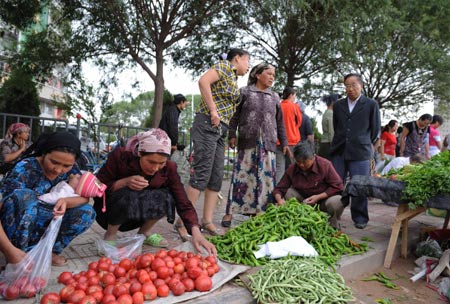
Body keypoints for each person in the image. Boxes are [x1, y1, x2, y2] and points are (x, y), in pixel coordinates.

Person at [93, 129, 216, 255]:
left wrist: (197, 233)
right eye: (151, 162)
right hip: (109, 213)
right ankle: (110, 235)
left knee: (168, 197)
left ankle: (144, 232)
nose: (155, 168)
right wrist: (123, 182)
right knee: (127, 193)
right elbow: (97, 185)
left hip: (139, 216)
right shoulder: (121, 156)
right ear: (140, 153)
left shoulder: (169, 168)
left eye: (161, 163)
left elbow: (183, 202)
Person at [177, 48, 250, 239]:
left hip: (221, 130)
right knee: (201, 173)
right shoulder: (224, 66)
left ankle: (206, 221)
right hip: (208, 123)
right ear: (237, 58)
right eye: (247, 61)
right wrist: (213, 111)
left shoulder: (233, 78)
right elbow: (203, 81)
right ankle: (184, 222)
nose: (248, 66)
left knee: (216, 175)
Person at [0, 131, 96, 266]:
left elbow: (85, 198)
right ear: (44, 153)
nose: (58, 170)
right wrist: (9, 250)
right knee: (25, 197)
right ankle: (18, 252)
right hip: (19, 223)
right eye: (54, 162)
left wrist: (66, 201)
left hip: (48, 219)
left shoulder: (73, 170)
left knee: (86, 212)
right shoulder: (25, 168)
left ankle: (48, 251)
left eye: (66, 166)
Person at [221, 63, 290, 226]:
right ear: (257, 75)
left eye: (274, 74)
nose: (272, 77)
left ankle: (260, 213)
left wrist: (284, 142)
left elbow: (280, 122)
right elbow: (234, 116)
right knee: (241, 177)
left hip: (268, 144)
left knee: (265, 180)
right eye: (269, 73)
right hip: (247, 141)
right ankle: (229, 213)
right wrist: (231, 134)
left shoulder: (274, 97)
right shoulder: (244, 92)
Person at [330, 73, 381, 229]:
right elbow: (336, 126)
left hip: (360, 151)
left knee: (359, 185)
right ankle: (333, 214)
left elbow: (375, 130)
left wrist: (362, 141)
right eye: (347, 85)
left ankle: (360, 217)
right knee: (336, 183)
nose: (350, 88)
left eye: (353, 85)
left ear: (361, 86)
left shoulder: (371, 104)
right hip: (339, 149)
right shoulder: (338, 105)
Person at [273, 141, 344, 229]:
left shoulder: (325, 165)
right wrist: (279, 200)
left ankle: (332, 224)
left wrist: (318, 197)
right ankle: (299, 221)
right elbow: (279, 188)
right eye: (298, 162)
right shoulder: (292, 169)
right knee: (288, 192)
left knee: (337, 201)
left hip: (323, 202)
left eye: (305, 162)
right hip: (303, 203)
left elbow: (338, 186)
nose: (302, 165)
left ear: (313, 157)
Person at [275, 87, 302, 182]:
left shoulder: (278, 105)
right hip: (292, 140)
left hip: (278, 141)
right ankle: (296, 189)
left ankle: (277, 191)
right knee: (296, 166)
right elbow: (299, 123)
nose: (295, 98)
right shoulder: (294, 107)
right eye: (294, 95)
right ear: (291, 95)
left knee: (279, 168)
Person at [38, 171, 106, 205]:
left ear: (78, 186)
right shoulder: (72, 188)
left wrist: (41, 198)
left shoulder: (67, 190)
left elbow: (55, 197)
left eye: (78, 178)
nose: (76, 175)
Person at [318, 94, 339, 159]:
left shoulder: (326, 112)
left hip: (325, 143)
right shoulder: (330, 114)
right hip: (328, 145)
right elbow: (331, 131)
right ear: (333, 102)